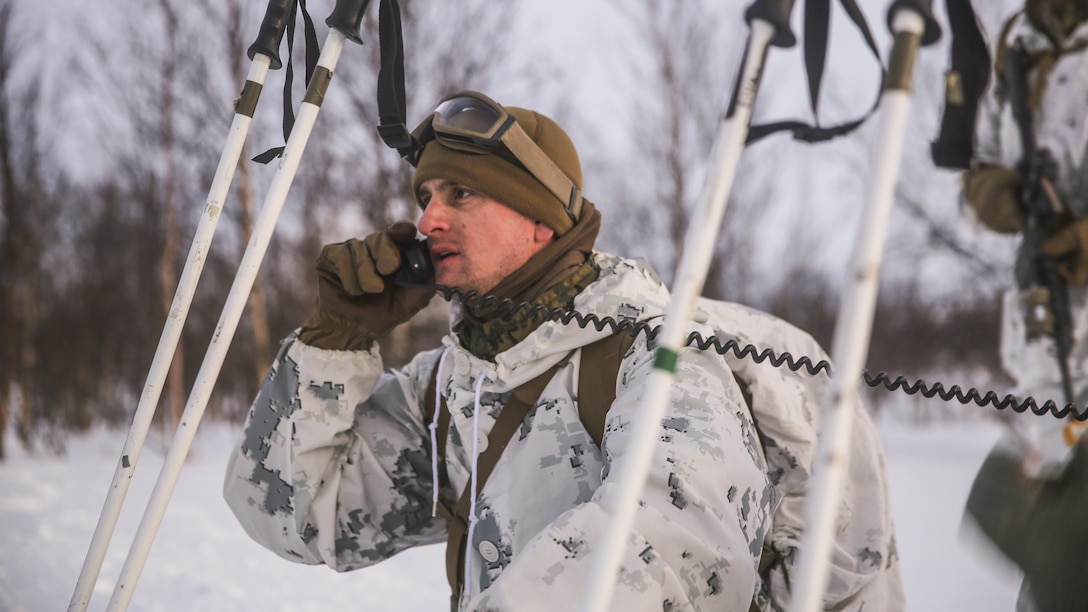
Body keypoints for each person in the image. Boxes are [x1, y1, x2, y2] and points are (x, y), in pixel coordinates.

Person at [223, 90, 903, 610]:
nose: (428, 218)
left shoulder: (659, 360)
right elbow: (296, 516)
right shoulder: (452, 386)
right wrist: (333, 343)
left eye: (461, 193)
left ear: (543, 221)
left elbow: (670, 549)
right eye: (426, 194)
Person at [959, 1, 1088, 609]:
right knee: (1047, 552)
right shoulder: (1020, 37)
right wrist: (1001, 196)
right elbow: (981, 162)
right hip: (1049, 352)